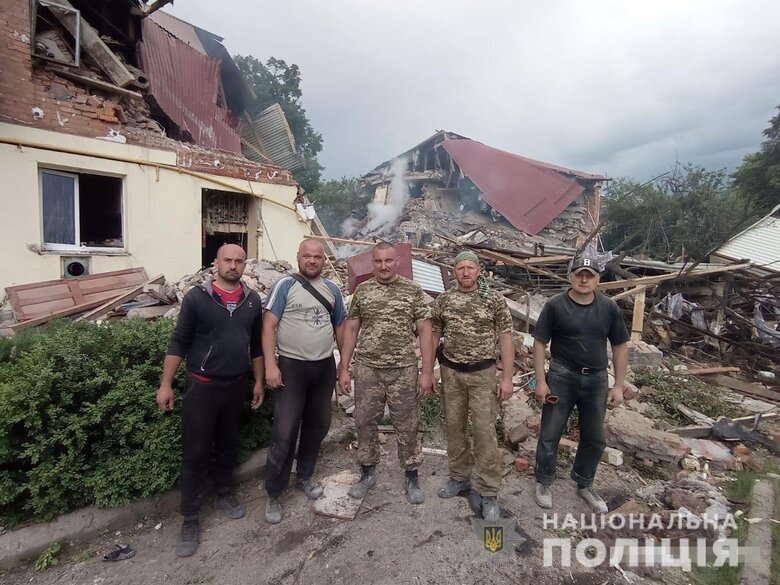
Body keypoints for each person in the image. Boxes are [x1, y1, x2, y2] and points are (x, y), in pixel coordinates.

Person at [156, 244, 264, 558]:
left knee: (229, 445)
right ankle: (190, 519)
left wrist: (257, 381)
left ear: (245, 265)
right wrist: (166, 384)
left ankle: (225, 494)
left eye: (239, 261)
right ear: (215, 263)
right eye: (227, 260)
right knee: (195, 453)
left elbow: (256, 345)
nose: (233, 265)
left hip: (235, 387)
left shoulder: (252, 300)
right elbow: (179, 341)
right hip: (201, 388)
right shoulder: (197, 299)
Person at [338, 242, 435, 504]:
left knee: (408, 424)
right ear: (372, 262)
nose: (383, 266)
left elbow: (426, 331)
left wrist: (426, 372)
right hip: (368, 368)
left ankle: (411, 476)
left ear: (397, 262)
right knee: (365, 421)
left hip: (403, 369)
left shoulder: (413, 291)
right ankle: (367, 474)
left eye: (388, 261)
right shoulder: (363, 291)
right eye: (378, 261)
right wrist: (344, 367)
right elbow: (351, 330)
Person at [532, 256, 629, 513]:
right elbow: (539, 343)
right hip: (562, 375)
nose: (584, 279)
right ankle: (543, 481)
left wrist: (618, 385)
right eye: (579, 274)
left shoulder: (609, 308)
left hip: (596, 379)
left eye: (590, 275)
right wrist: (541, 381)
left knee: (595, 437)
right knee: (551, 431)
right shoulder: (555, 306)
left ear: (598, 279)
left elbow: (620, 345)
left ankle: (585, 483)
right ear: (570, 277)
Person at [262, 240, 347, 524]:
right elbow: (269, 325)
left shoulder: (333, 289)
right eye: (306, 256)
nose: (312, 260)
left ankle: (305, 476)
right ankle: (274, 492)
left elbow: (341, 328)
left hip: (323, 366)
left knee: (318, 425)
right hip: (291, 366)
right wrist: (271, 365)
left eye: (317, 257)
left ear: (324, 260)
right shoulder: (285, 285)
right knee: (284, 431)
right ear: (298, 257)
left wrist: (344, 365)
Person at [430, 251, 514, 521]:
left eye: (470, 268)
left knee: (484, 432)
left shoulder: (494, 300)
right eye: (460, 268)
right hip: (451, 373)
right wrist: (429, 370)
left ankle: (489, 491)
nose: (465, 272)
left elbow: (506, 338)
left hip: (482, 374)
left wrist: (507, 377)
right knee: (454, 428)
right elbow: (434, 334)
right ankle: (459, 478)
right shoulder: (444, 301)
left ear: (479, 271)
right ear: (454, 272)